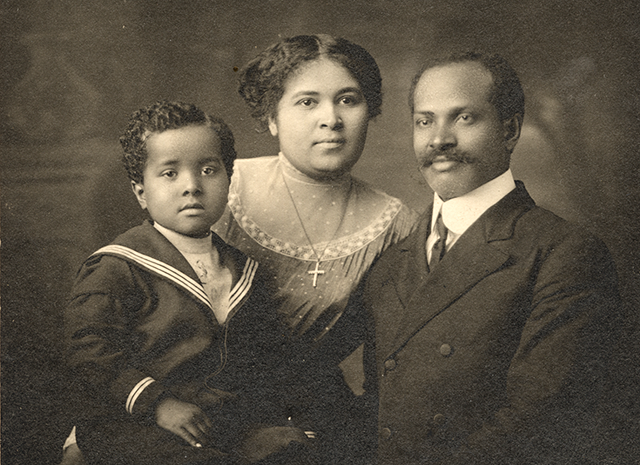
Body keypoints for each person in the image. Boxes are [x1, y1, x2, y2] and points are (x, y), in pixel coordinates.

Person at [358, 52, 622, 464]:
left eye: (464, 118)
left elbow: (539, 422)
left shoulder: (564, 253)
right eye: (424, 121)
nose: (439, 139)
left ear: (510, 129)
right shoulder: (391, 264)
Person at [212, 34, 419, 463]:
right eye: (307, 102)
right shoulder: (224, 187)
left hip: (313, 423)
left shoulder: (397, 224)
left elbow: (397, 361)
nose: (331, 119)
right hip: (199, 411)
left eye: (348, 99)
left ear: (370, 112)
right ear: (272, 118)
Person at [64, 101, 306, 465]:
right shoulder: (118, 266)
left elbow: (270, 357)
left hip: (218, 423)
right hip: (138, 423)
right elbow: (89, 351)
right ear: (141, 192)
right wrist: (158, 404)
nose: (192, 186)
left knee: (295, 447)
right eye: (169, 174)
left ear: (228, 179)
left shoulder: (244, 270)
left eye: (208, 170)